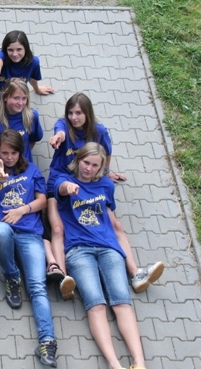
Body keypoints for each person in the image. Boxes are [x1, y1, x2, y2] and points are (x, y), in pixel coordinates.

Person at [47, 92, 163, 297]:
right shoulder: (64, 125)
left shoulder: (98, 131)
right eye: (70, 113)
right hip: (60, 181)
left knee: (116, 225)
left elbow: (106, 153)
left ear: (88, 113)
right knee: (57, 229)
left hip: (88, 181)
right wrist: (59, 137)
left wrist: (105, 173)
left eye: (78, 113)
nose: (74, 118)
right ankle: (64, 279)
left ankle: (135, 273)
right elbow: (60, 132)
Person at [56, 143, 149, 369]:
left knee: (122, 302)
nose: (88, 168)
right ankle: (114, 364)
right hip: (78, 250)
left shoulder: (106, 185)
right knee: (96, 304)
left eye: (94, 165)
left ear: (101, 167)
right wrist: (69, 187)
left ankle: (139, 362)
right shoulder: (63, 179)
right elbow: (60, 189)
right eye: (86, 162)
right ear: (78, 160)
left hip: (108, 247)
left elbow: (110, 217)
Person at [0, 130, 58, 367]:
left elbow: (42, 200)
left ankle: (47, 341)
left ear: (21, 152)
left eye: (14, 153)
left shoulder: (31, 170)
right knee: (1, 231)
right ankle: (11, 276)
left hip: (29, 233)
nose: (10, 157)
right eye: (5, 152)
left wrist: (22, 210)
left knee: (37, 287)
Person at [0, 78, 48, 281]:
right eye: (16, 98)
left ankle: (50, 262)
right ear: (5, 97)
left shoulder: (31, 116)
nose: (20, 103)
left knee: (37, 210)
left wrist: (20, 156)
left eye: (24, 98)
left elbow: (34, 138)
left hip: (22, 170)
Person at [0, 30, 54, 109]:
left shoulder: (33, 62)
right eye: (10, 50)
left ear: (25, 49)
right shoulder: (2, 55)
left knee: (20, 107)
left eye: (19, 49)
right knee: (11, 101)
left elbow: (32, 77)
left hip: (15, 99)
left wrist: (37, 89)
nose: (15, 54)